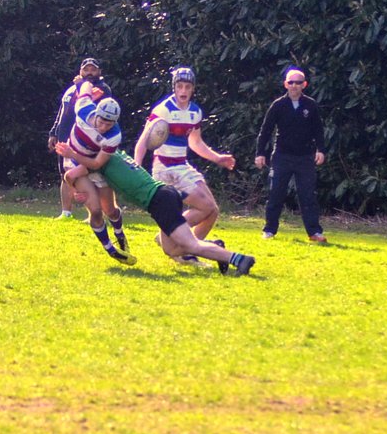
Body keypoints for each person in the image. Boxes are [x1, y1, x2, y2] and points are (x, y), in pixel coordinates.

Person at [59, 136, 257, 276]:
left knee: (191, 245)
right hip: (164, 194)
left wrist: (74, 183)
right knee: (170, 249)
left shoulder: (100, 161)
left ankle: (239, 259)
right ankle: (215, 247)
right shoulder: (114, 153)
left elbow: (71, 174)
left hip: (159, 200)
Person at [133, 65, 236, 261]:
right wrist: (137, 169)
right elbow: (143, 142)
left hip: (182, 166)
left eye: (187, 87)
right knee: (205, 207)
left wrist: (217, 158)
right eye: (179, 86)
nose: (183, 91)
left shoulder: (195, 112)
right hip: (165, 168)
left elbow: (195, 142)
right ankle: (175, 239)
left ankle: (183, 248)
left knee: (213, 210)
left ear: (193, 88)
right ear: (174, 87)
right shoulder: (163, 110)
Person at [254, 66, 326, 242]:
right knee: (276, 194)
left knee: (308, 196)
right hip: (282, 156)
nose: (294, 85)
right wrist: (260, 153)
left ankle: (314, 232)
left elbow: (318, 130)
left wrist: (321, 150)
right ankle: (269, 230)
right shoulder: (278, 105)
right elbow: (265, 130)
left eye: (298, 82)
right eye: (291, 82)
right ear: (285, 84)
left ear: (304, 85)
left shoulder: (310, 105)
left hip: (305, 157)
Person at [62, 97, 133, 262]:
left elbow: (96, 163)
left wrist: (73, 154)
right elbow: (69, 176)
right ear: (96, 114)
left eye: (109, 125)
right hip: (75, 163)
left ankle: (119, 234)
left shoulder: (114, 135)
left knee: (110, 210)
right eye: (101, 122)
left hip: (95, 165)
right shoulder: (83, 109)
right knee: (95, 210)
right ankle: (111, 249)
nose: (103, 128)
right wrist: (74, 190)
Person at [49, 57, 112, 218]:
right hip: (65, 139)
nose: (89, 72)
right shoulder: (71, 89)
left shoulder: (102, 89)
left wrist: (80, 85)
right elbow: (62, 112)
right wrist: (54, 132)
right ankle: (66, 213)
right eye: (86, 69)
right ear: (80, 71)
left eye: (93, 69)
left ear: (99, 72)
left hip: (86, 141)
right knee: (65, 174)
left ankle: (95, 214)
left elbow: (90, 103)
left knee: (89, 176)